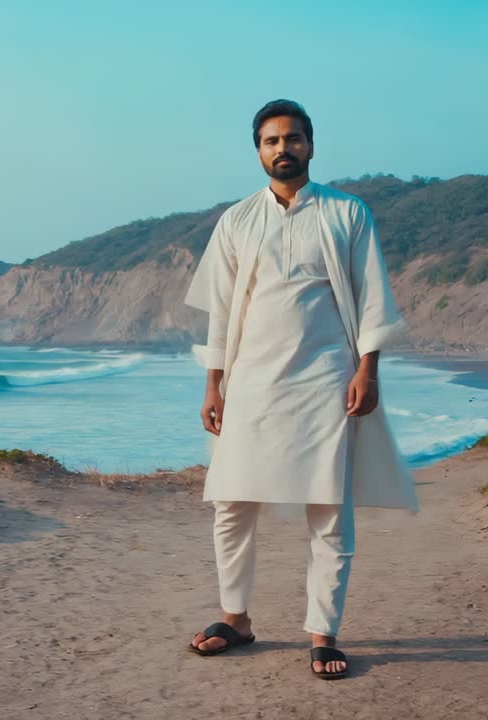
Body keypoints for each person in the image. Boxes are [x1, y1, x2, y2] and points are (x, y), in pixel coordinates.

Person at [182, 99, 418, 679]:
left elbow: (372, 298)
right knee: (232, 504)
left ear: (311, 145)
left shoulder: (347, 213)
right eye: (271, 140)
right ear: (258, 151)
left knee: (329, 510)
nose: (282, 148)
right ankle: (236, 619)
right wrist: (213, 385)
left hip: (324, 381)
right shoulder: (236, 220)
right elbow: (220, 313)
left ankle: (323, 634)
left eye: (292, 138)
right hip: (251, 381)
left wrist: (368, 370)